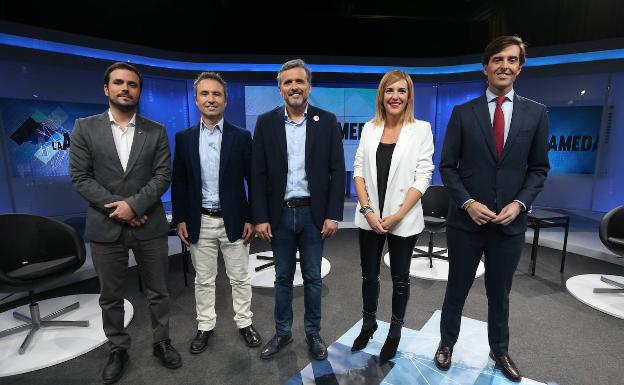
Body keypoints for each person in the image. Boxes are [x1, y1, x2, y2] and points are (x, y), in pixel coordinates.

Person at [434, 36, 550, 382]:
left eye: (512, 60)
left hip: (509, 225)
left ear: (520, 67)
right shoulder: (462, 113)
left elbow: (539, 169)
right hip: (466, 223)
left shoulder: (537, 113)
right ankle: (446, 343)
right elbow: (448, 166)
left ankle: (499, 350)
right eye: (497, 59)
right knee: (457, 286)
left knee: (500, 293)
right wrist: (467, 202)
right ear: (486, 67)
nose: (504, 66)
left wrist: (520, 203)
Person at [70, 62, 181, 385]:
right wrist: (120, 209)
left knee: (159, 291)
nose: (125, 88)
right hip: (106, 228)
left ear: (139, 91)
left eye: (132, 84)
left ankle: (162, 342)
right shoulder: (84, 128)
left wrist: (134, 205)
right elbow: (80, 178)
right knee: (110, 295)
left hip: (150, 227)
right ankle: (118, 348)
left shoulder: (156, 130)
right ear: (106, 89)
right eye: (118, 83)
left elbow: (163, 176)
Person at [252, 59, 345, 360]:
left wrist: (333, 214)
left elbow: (336, 170)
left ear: (309, 87)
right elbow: (259, 174)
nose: (294, 87)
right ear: (280, 89)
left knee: (313, 278)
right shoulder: (265, 123)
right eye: (288, 82)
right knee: (282, 278)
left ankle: (313, 333)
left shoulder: (327, 121)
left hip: (313, 215)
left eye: (299, 82)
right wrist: (261, 216)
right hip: (279, 216)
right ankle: (282, 333)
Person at [171, 72, 261, 354]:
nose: (211, 99)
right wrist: (181, 218)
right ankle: (205, 326)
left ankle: (245, 323)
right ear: (196, 99)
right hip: (200, 221)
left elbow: (253, 180)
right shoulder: (184, 138)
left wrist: (252, 217)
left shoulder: (242, 136)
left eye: (216, 94)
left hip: (235, 221)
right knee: (204, 280)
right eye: (205, 94)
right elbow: (180, 181)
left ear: (226, 100)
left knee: (240, 278)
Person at [351, 70, 434, 362]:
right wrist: (367, 210)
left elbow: (423, 176)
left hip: (404, 219)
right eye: (389, 91)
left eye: (401, 91)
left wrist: (398, 214)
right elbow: (358, 171)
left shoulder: (421, 129)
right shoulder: (369, 128)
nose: (395, 96)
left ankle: (395, 332)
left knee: (400, 280)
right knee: (369, 276)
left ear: (409, 96)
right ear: (381, 96)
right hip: (370, 219)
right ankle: (369, 323)